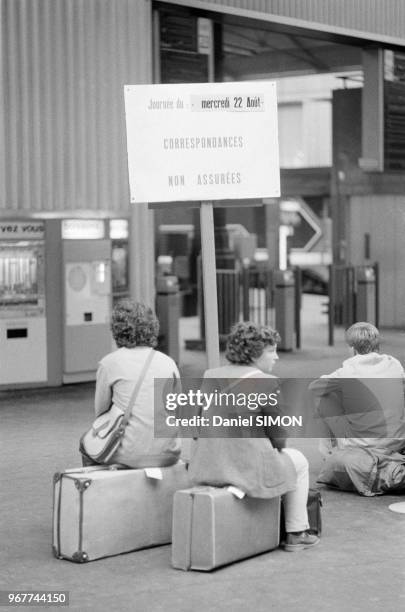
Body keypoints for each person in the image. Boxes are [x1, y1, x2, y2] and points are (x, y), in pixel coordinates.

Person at [188, 321, 320, 552]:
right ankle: (296, 532)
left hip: (207, 466)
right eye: (271, 350)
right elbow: (279, 437)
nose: (276, 357)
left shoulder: (210, 375)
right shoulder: (267, 383)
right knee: (298, 461)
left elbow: (196, 426)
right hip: (244, 469)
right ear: (255, 353)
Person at [81, 299, 181, 468]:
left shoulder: (109, 363)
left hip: (127, 453)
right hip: (168, 453)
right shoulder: (168, 363)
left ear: (117, 330)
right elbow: (178, 411)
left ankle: (98, 489)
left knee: (86, 444)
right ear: (152, 328)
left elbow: (100, 413)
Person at [309, 322, 405, 496]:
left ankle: (330, 454)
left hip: (363, 445)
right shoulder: (395, 365)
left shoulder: (346, 372)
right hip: (396, 441)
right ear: (378, 346)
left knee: (324, 397)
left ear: (352, 349)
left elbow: (314, 387)